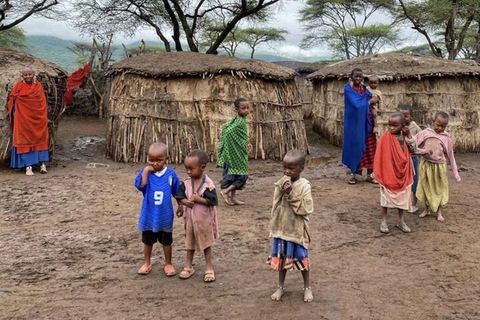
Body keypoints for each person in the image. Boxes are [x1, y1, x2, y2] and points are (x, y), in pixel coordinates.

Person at [269, 149, 314, 303]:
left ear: (301, 168)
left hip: (296, 231)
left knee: (302, 260)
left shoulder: (304, 186)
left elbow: (306, 209)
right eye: (285, 168)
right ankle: (281, 286)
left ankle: (307, 287)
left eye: (291, 168)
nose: (287, 172)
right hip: (282, 229)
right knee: (281, 260)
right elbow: (275, 204)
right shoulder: (282, 182)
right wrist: (282, 190)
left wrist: (290, 194)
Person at [134, 142, 182, 276]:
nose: (155, 163)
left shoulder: (171, 174)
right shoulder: (146, 173)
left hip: (165, 215)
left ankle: (168, 263)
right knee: (147, 240)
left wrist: (180, 205)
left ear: (166, 158)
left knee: (166, 241)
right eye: (151, 160)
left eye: (159, 160)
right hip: (149, 214)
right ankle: (147, 262)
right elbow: (141, 186)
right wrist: (145, 171)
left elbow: (177, 191)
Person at [175, 149, 219, 282]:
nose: (188, 172)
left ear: (203, 167)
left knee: (206, 244)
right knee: (189, 243)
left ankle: (209, 268)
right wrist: (183, 203)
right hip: (190, 220)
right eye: (186, 169)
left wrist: (199, 199)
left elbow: (213, 201)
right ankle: (188, 266)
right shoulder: (187, 182)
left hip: (204, 220)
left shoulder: (208, 184)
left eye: (191, 169)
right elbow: (179, 196)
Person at [374, 113, 419, 234]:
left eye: (395, 125)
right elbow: (380, 156)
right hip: (388, 172)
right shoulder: (384, 138)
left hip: (403, 172)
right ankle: (383, 221)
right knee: (385, 199)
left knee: (403, 198)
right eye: (389, 125)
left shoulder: (405, 136)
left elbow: (414, 149)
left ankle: (401, 221)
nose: (391, 128)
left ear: (403, 125)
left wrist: (408, 134)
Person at [415, 111, 461, 221]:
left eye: (443, 126)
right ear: (433, 122)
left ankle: (439, 212)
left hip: (439, 167)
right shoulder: (425, 133)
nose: (440, 128)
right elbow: (413, 145)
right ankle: (426, 209)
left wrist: (456, 174)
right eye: (438, 125)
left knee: (439, 188)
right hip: (426, 165)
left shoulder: (446, 138)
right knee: (426, 187)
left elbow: (451, 156)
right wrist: (423, 151)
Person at [7, 67, 49, 176]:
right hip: (23, 119)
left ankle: (42, 164)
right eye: (25, 74)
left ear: (33, 74)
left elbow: (42, 103)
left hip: (37, 118)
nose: (28, 76)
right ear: (22, 76)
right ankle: (28, 166)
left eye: (29, 74)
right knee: (24, 139)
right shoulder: (18, 85)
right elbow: (12, 98)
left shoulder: (38, 86)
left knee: (40, 138)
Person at [342, 68, 379, 184]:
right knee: (356, 147)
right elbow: (356, 105)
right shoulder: (348, 89)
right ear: (351, 76)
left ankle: (370, 174)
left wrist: (372, 100)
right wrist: (369, 102)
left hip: (367, 123)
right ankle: (354, 174)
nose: (358, 78)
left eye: (360, 76)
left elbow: (373, 100)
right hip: (354, 125)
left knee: (370, 148)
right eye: (356, 76)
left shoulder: (365, 89)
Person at [217, 98, 250, 205]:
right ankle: (225, 192)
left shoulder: (236, 120)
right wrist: (235, 146)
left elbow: (226, 128)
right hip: (237, 154)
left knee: (235, 175)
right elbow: (228, 131)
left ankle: (233, 198)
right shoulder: (239, 121)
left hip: (236, 153)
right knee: (242, 175)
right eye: (243, 108)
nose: (246, 110)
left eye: (247, 108)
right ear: (237, 109)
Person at [399, 104, 422, 212]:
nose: (404, 118)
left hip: (412, 158)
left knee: (414, 180)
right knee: (402, 180)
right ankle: (403, 202)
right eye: (401, 116)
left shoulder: (414, 126)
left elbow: (422, 137)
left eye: (406, 116)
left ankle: (414, 204)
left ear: (411, 117)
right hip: (401, 158)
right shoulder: (398, 126)